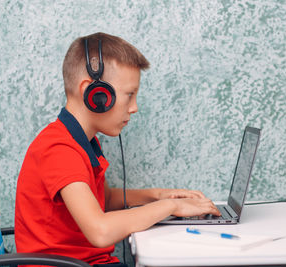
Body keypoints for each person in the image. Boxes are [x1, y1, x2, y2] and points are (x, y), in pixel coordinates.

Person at [14, 32, 221, 266]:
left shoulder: (82, 141)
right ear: (94, 94)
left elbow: (106, 198)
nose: (134, 107)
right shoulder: (59, 149)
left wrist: (159, 195)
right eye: (129, 95)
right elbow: (100, 230)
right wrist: (171, 206)